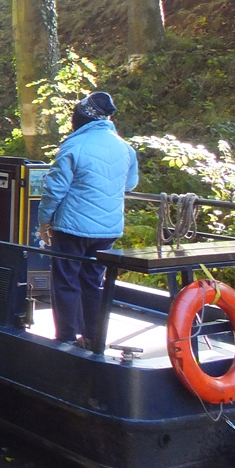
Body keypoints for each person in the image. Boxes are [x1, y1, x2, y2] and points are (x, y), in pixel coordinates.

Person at [37, 91, 138, 349]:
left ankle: (67, 338)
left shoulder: (73, 146)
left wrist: (44, 220)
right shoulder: (125, 148)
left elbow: (55, 189)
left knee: (66, 280)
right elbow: (130, 184)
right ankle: (93, 338)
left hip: (72, 227)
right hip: (107, 230)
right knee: (94, 282)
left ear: (80, 117)